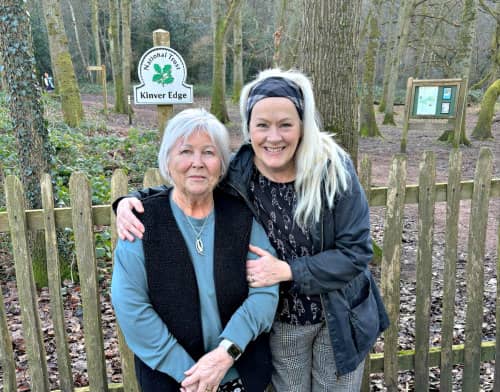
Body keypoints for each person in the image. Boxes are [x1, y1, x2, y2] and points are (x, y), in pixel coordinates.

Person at [114, 69, 389, 392]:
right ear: (249, 129)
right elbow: (189, 182)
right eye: (262, 125)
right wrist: (127, 201)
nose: (274, 137)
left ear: (303, 125)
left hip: (338, 313)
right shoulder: (242, 171)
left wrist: (288, 269)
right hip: (286, 318)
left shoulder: (332, 169)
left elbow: (356, 253)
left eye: (285, 124)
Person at [111, 108, 279, 392]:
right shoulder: (141, 223)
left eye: (209, 153)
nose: (197, 163)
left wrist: (225, 355)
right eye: (186, 151)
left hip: (239, 373)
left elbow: (264, 293)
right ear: (168, 159)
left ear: (222, 164)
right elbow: (132, 309)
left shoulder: (241, 217)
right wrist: (192, 377)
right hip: (172, 380)